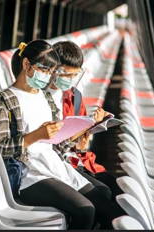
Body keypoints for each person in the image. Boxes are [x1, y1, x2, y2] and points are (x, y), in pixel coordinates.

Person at [0, 40, 124, 229]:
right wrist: (35, 135)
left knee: (105, 203)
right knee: (85, 210)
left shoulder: (45, 98)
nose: (48, 76)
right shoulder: (5, 99)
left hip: (53, 164)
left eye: (51, 72)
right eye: (45, 70)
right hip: (30, 174)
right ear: (27, 64)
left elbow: (56, 143)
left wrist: (84, 130)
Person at [49, 41, 123, 199]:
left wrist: (90, 129)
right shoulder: (41, 98)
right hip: (60, 163)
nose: (70, 80)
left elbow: (77, 142)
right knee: (103, 194)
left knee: (116, 187)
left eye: (74, 75)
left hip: (78, 158)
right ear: (52, 69)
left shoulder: (75, 97)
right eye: (65, 75)